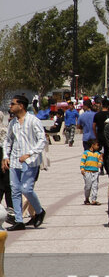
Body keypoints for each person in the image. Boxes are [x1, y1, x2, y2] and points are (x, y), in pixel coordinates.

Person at [4, 94, 48, 229]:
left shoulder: (33, 121)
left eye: (13, 104)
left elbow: (42, 140)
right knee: (15, 190)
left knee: (26, 189)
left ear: (21, 106)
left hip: (30, 161)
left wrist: (29, 154)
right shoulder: (13, 123)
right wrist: (6, 156)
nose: (10, 106)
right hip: (15, 161)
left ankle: (39, 211)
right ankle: (19, 220)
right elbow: (8, 140)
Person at [81, 138, 103, 205]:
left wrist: (100, 163)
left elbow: (100, 160)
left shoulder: (97, 154)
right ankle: (87, 198)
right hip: (87, 172)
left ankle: (94, 199)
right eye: (97, 145)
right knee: (88, 186)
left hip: (95, 172)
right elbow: (82, 162)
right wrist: (82, 169)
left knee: (95, 186)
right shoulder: (86, 153)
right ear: (92, 145)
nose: (98, 147)